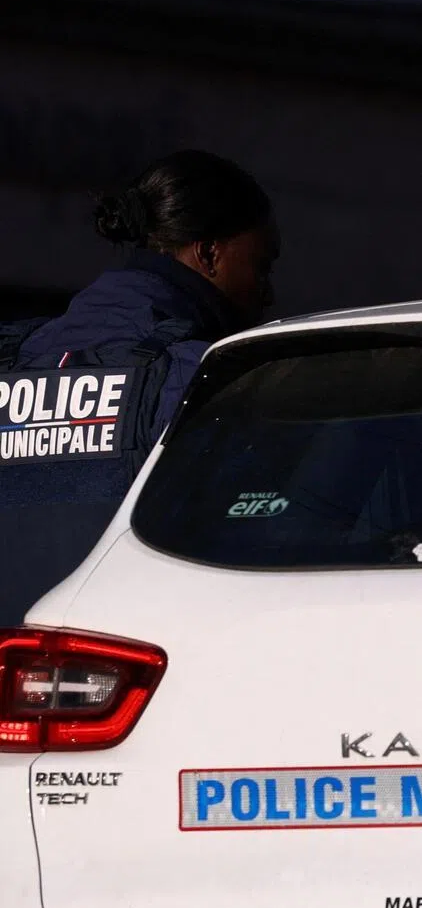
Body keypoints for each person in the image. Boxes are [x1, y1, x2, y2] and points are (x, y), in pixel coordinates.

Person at [0, 150, 279, 624]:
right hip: (113, 658)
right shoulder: (198, 376)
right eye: (261, 267)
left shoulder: (15, 361)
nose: (267, 293)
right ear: (209, 254)